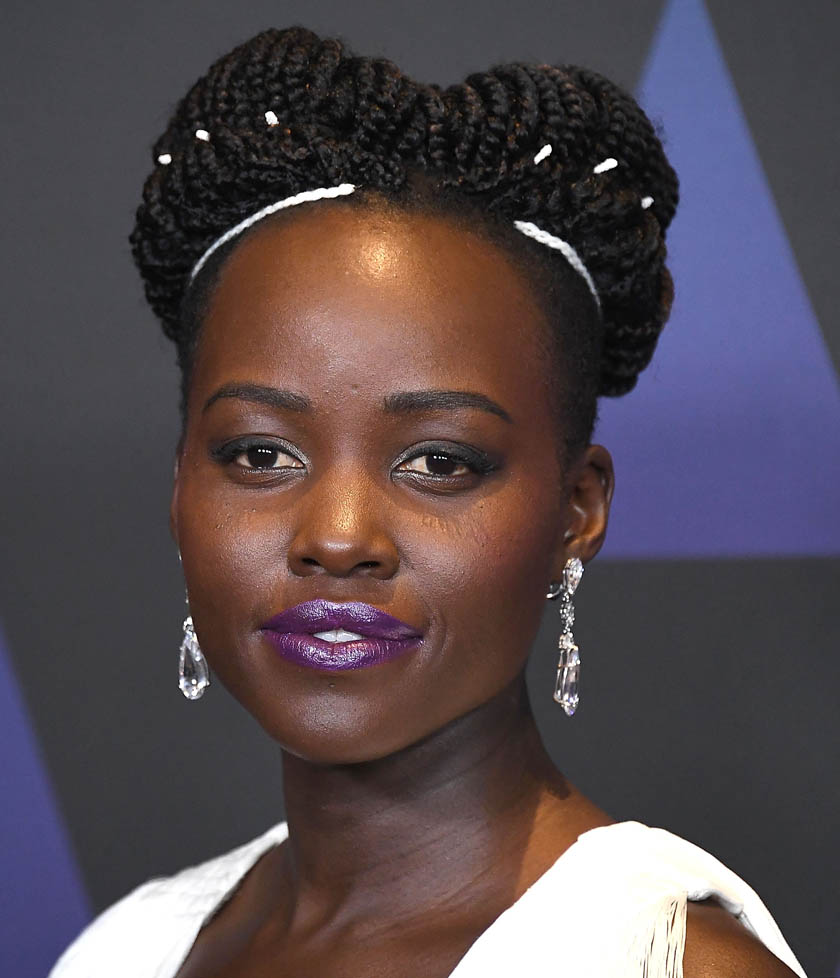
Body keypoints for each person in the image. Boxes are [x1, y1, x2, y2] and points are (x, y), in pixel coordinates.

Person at [50, 26, 806, 978]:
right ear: (179, 491)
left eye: (439, 462)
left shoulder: (663, 965)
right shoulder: (125, 951)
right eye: (261, 453)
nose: (337, 538)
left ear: (577, 511)